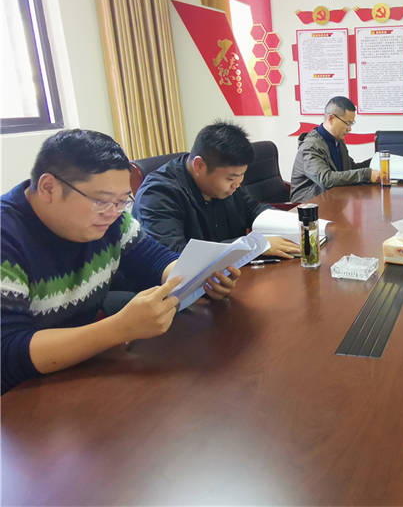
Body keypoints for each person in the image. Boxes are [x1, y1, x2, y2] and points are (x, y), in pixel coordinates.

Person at [1, 130, 239, 394]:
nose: (113, 213)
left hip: (78, 371)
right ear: (49, 188)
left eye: (122, 200)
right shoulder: (7, 238)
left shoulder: (111, 219)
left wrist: (198, 278)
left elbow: (154, 259)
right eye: (102, 201)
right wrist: (118, 329)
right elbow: (8, 353)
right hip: (19, 396)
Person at [133, 122, 300, 258]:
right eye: (231, 178)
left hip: (228, 274)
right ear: (199, 165)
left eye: (242, 175)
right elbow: (175, 255)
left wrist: (296, 225)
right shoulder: (158, 194)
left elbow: (253, 209)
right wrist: (253, 246)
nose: (237, 184)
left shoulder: (228, 184)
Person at [290, 96, 380, 202]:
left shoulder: (337, 140)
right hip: (307, 205)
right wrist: (367, 174)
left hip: (332, 199)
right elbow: (325, 179)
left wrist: (376, 161)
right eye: (347, 123)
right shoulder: (310, 146)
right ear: (331, 118)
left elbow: (350, 169)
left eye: (351, 123)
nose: (350, 129)